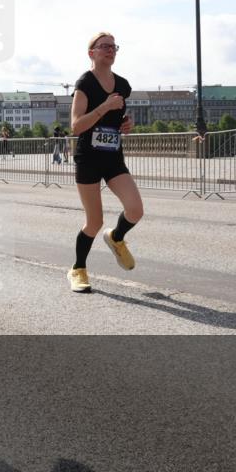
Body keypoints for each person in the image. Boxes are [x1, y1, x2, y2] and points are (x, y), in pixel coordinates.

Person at [66, 32, 140, 293]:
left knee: (135, 209)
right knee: (94, 222)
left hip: (113, 158)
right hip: (88, 159)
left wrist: (126, 123)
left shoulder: (122, 84)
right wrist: (104, 108)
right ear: (92, 53)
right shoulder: (85, 83)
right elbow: (76, 126)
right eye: (104, 46)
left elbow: (118, 120)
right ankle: (78, 269)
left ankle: (117, 237)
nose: (110, 50)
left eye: (113, 46)